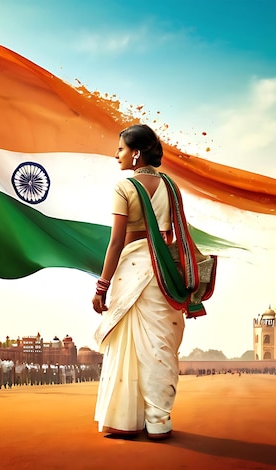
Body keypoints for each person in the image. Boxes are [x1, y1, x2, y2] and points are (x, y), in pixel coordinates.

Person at [92, 124, 185, 440]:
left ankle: (124, 420)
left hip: (132, 269)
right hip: (162, 272)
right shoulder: (171, 188)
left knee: (130, 345)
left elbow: (117, 241)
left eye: (120, 149)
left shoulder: (125, 187)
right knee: (159, 346)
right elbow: (174, 236)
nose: (116, 154)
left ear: (135, 153)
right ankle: (159, 421)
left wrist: (101, 286)